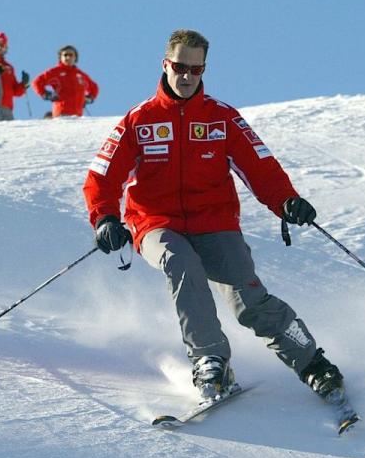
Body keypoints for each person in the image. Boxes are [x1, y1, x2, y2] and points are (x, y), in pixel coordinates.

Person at [82, 29, 348, 406]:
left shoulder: (222, 119)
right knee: (181, 263)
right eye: (180, 67)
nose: (187, 76)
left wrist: (287, 201)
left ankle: (314, 365)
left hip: (215, 223)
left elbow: (260, 167)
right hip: (156, 223)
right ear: (165, 65)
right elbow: (101, 177)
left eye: (196, 69)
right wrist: (106, 218)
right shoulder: (139, 121)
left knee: (249, 301)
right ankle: (211, 360)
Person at [32, 45, 99, 118]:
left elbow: (94, 87)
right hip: (61, 114)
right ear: (60, 57)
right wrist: (45, 94)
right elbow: (37, 82)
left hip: (78, 115)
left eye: (71, 55)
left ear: (75, 57)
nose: (68, 57)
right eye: (65, 55)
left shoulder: (81, 75)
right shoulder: (55, 72)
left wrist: (89, 98)